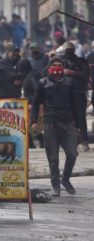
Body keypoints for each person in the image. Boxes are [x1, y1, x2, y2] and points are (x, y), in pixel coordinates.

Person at [31, 56, 78, 196]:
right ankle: (55, 185)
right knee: (53, 158)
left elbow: (75, 104)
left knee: (72, 154)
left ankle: (65, 179)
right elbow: (35, 102)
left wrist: (79, 124)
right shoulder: (42, 83)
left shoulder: (70, 82)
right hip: (50, 123)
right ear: (49, 67)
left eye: (59, 64)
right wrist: (34, 120)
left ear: (62, 67)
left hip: (67, 123)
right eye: (54, 64)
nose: (57, 67)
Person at [61, 41, 90, 152]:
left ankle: (84, 141)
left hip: (78, 93)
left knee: (80, 117)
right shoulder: (60, 62)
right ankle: (69, 141)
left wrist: (72, 72)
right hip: (65, 94)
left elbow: (85, 73)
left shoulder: (80, 61)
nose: (68, 52)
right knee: (67, 119)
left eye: (70, 49)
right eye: (66, 50)